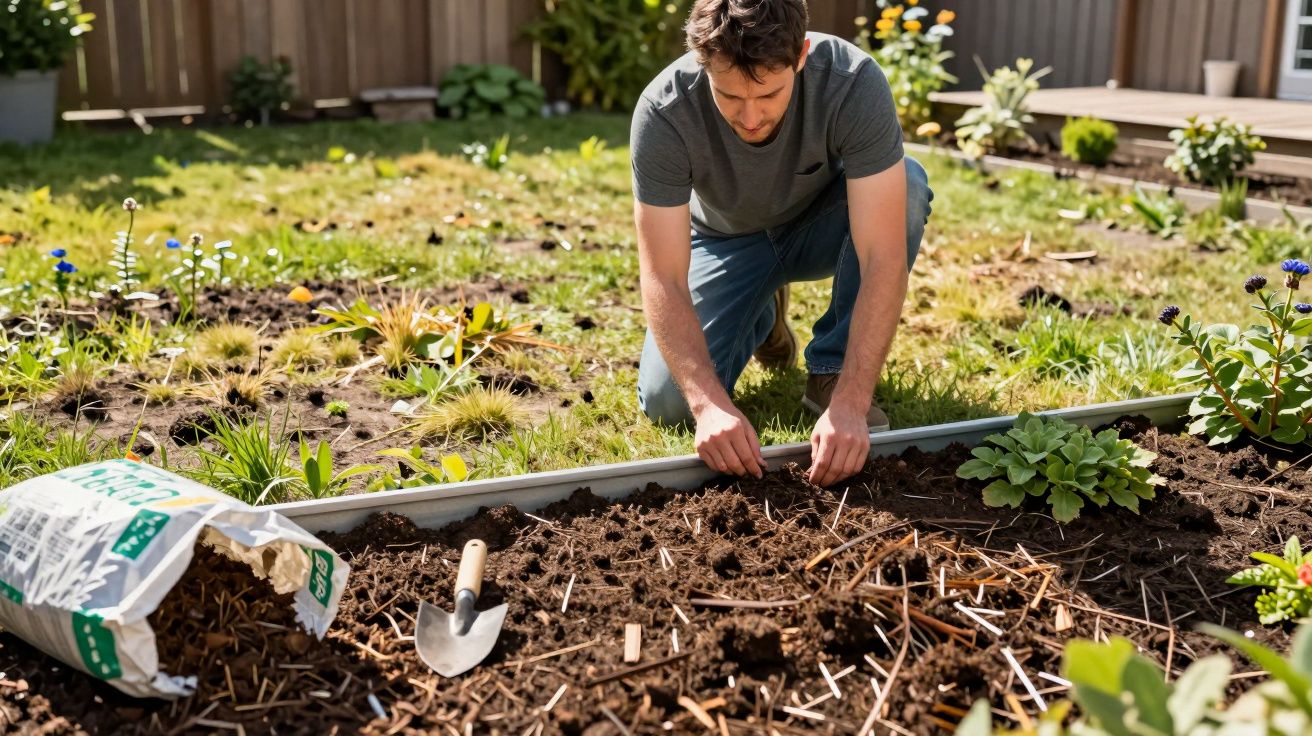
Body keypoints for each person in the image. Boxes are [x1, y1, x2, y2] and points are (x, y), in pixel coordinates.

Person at [630, 0, 934, 487]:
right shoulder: (665, 111)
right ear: (702, 63)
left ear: (800, 56)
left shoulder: (851, 81)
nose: (750, 117)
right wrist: (708, 405)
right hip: (725, 241)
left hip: (822, 224)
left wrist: (852, 403)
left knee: (909, 186)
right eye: (729, 96)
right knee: (670, 405)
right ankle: (763, 312)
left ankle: (829, 371)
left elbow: (882, 256)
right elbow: (662, 275)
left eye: (768, 94)